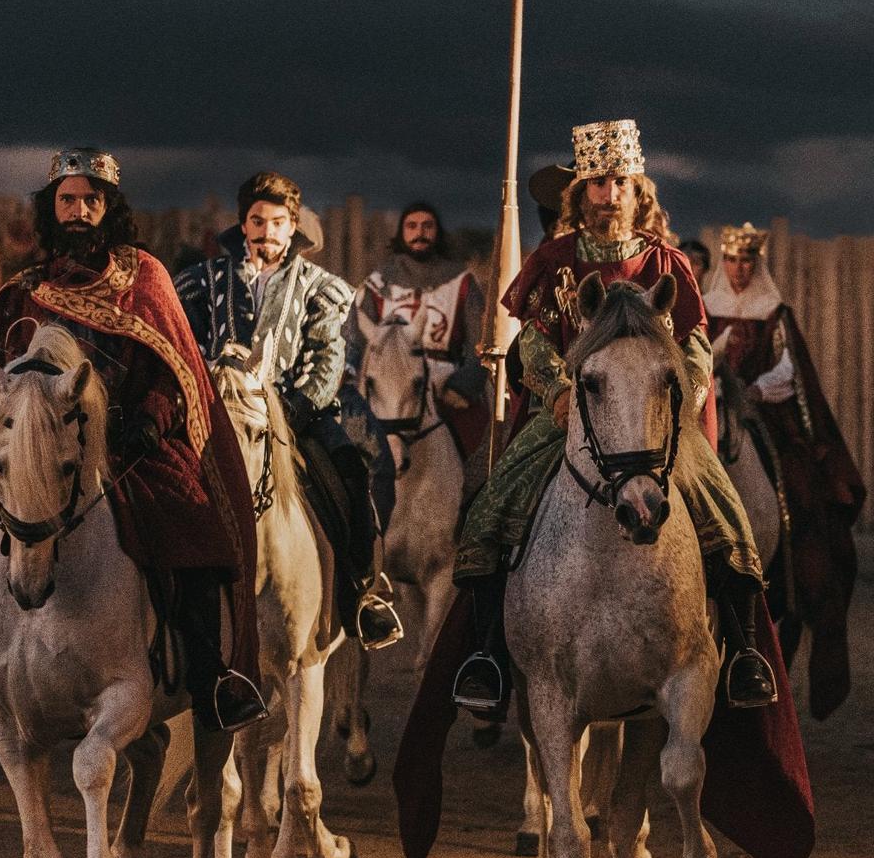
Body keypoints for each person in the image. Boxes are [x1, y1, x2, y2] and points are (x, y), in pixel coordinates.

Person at [0, 146, 265, 752]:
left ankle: (211, 676)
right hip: (46, 446)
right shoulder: (23, 293)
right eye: (68, 199)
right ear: (52, 207)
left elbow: (177, 372)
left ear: (108, 207)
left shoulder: (144, 278)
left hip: (129, 447)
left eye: (91, 199)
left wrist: (152, 418)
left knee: (193, 520)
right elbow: (3, 393)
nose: (79, 210)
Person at [453, 118, 775, 713]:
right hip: (571, 415)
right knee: (490, 504)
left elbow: (697, 340)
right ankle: (489, 653)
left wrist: (688, 391)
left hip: (653, 420)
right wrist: (555, 388)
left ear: (638, 189)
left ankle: (744, 651)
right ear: (582, 192)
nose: (609, 194)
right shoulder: (555, 258)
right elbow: (532, 339)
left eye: (620, 181)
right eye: (598, 183)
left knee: (728, 514)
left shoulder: (666, 264)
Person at [174, 170, 401, 650]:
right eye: (258, 220)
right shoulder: (203, 282)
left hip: (300, 416)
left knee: (350, 474)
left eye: (278, 221)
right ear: (243, 225)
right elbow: (188, 347)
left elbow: (327, 358)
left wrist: (292, 412)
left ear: (293, 226)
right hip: (221, 415)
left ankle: (361, 595)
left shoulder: (322, 287)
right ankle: (167, 605)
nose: (267, 231)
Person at [704, 222, 866, 719]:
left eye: (747, 261)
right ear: (722, 262)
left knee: (795, 484)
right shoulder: (704, 309)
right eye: (732, 260)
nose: (739, 269)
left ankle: (791, 577)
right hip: (710, 407)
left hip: (758, 408)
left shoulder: (774, 311)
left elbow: (789, 370)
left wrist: (753, 390)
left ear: (758, 264)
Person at [343, 200, 489, 490]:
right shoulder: (377, 283)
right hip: (388, 380)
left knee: (479, 442)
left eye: (427, 226)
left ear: (437, 232)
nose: (419, 233)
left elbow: (478, 344)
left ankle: (471, 504)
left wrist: (464, 384)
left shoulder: (461, 281)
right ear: (401, 232)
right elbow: (355, 339)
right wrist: (349, 375)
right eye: (412, 226)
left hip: (445, 379)